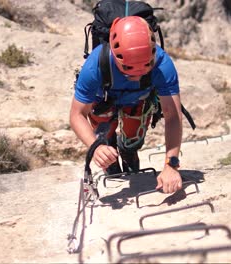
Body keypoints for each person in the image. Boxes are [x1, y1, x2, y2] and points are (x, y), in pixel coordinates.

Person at [69, 16, 183, 194]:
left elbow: (173, 116)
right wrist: (95, 147)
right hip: (102, 103)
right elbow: (77, 114)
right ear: (115, 58)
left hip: (137, 101)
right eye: (128, 70)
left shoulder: (162, 64)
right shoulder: (95, 65)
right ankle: (111, 162)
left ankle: (129, 152)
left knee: (133, 138)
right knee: (103, 140)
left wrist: (172, 164)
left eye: (146, 67)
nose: (137, 76)